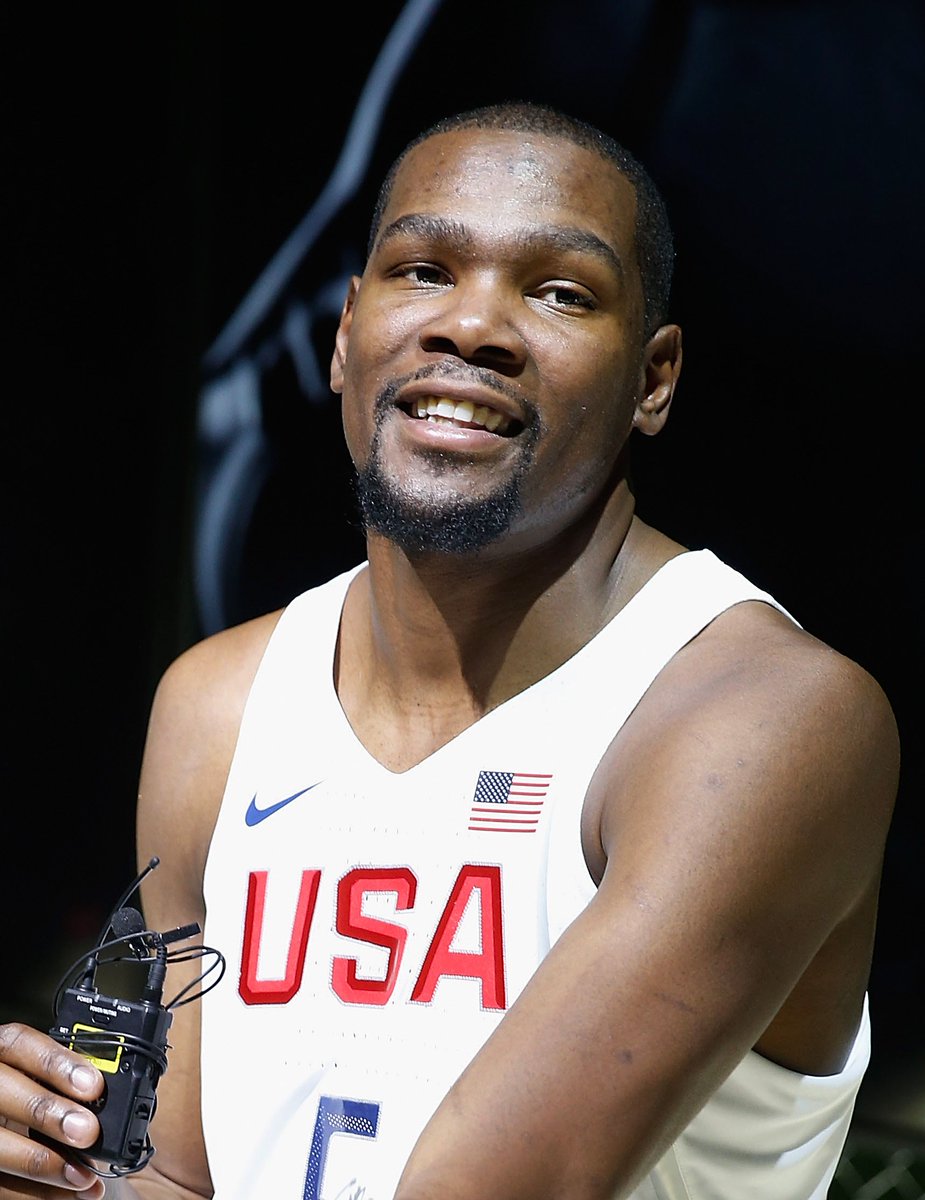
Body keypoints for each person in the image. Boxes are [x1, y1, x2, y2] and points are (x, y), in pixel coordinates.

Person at [0, 100, 900, 1200]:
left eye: (560, 292)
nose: (471, 326)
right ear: (345, 334)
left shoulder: (758, 719)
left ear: (654, 379)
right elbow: (177, 1181)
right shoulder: (220, 702)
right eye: (423, 271)